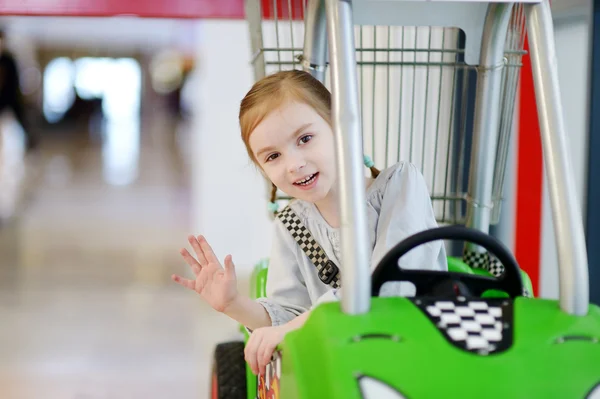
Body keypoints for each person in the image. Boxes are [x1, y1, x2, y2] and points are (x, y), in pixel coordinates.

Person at [171, 70, 447, 376]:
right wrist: (233, 303)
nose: (294, 164)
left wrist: (293, 327)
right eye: (273, 156)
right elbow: (290, 315)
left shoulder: (401, 186)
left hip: (419, 353)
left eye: (304, 139)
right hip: (343, 364)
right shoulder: (292, 225)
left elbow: (393, 287)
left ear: (340, 128)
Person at [0, 29, 37, 152]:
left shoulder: (9, 60)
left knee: (20, 123)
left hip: (8, 102)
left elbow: (14, 84)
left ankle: (30, 144)